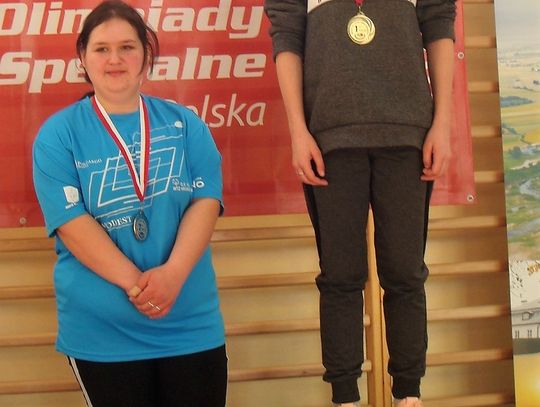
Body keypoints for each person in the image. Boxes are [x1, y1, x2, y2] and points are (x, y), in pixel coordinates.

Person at [32, 1, 227, 406]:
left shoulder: (186, 125)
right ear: (83, 57)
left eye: (127, 47)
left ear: (146, 55)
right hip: (104, 335)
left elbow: (205, 201)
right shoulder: (58, 135)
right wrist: (139, 286)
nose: (115, 59)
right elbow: (72, 224)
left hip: (190, 324)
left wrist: (173, 275)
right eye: (102, 49)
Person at [264, 0, 456, 406]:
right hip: (329, 135)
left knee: (404, 273)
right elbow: (287, 36)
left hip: (407, 133)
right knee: (340, 276)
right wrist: (298, 130)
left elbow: (439, 24)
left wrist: (443, 121)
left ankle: (409, 394)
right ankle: (345, 397)